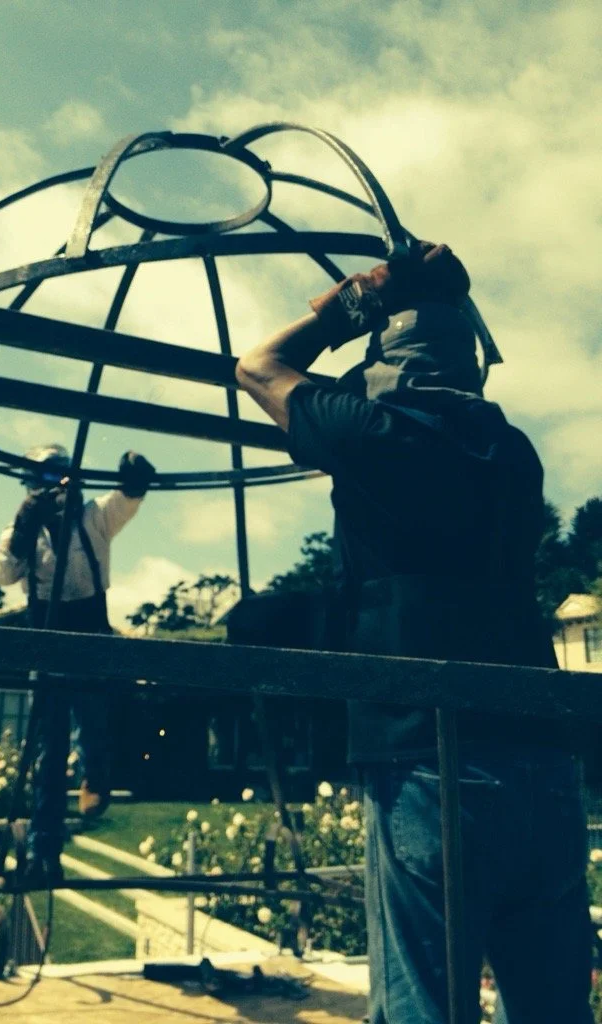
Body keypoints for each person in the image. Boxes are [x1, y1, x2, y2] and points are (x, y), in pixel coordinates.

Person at [235, 244, 592, 1023]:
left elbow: (259, 364)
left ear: (383, 354)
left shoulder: (371, 433)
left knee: (424, 1006)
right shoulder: (514, 454)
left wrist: (361, 297)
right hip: (542, 757)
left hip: (427, 758)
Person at [0, 443, 156, 884]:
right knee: (48, 747)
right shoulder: (24, 530)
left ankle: (95, 782)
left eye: (60, 477)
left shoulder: (92, 518)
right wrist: (25, 526)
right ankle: (45, 848)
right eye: (43, 479)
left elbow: (126, 502)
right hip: (45, 633)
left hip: (87, 629)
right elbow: (4, 573)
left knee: (93, 719)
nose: (54, 489)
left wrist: (135, 475)